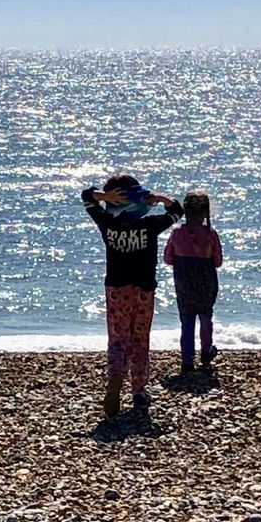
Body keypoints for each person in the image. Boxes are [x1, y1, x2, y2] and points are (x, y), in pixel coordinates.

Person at [80, 174, 182, 421]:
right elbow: (177, 211)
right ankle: (138, 390)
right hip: (144, 289)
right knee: (139, 338)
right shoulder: (150, 226)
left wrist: (103, 197)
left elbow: (86, 197)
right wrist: (160, 199)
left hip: (116, 289)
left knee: (118, 338)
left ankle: (116, 376)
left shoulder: (108, 224)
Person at [163, 190, 223, 372]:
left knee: (187, 321)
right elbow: (218, 261)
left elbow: (167, 258)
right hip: (206, 280)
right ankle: (206, 351)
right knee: (206, 317)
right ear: (206, 213)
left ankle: (187, 359)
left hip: (184, 281)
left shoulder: (177, 233)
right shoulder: (211, 234)